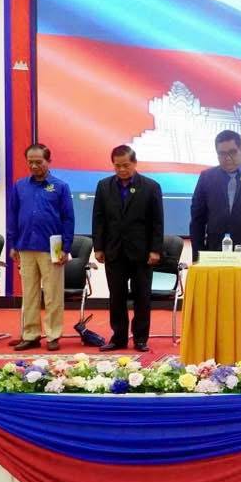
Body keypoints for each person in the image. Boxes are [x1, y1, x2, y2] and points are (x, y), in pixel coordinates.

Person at [92, 145, 164, 352]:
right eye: (117, 166)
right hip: (114, 251)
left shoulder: (151, 187)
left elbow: (157, 221)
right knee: (116, 297)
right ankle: (118, 338)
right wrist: (98, 247)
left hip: (142, 252)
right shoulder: (104, 186)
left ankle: (140, 338)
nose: (122, 169)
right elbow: (99, 219)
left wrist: (155, 250)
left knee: (142, 297)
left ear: (134, 163)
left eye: (126, 165)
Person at [7, 143, 75, 352]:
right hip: (25, 245)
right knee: (29, 294)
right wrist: (12, 243)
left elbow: (68, 219)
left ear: (49, 161)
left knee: (53, 294)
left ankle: (53, 335)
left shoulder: (60, 187)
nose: (34, 166)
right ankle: (30, 334)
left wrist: (66, 247)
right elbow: (12, 216)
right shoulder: (19, 186)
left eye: (39, 162)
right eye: (31, 162)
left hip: (52, 247)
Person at [190, 130, 241, 262]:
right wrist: (198, 257)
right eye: (222, 153)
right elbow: (197, 221)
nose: (228, 158)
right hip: (214, 254)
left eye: (232, 152)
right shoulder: (206, 178)